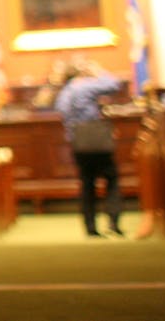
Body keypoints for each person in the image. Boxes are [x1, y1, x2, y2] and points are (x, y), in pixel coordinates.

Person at [54, 60, 124, 237]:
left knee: (87, 183)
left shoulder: (64, 93)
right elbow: (114, 84)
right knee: (111, 179)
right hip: (97, 141)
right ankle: (113, 222)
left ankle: (90, 226)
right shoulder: (84, 86)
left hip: (78, 143)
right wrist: (98, 70)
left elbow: (60, 111)